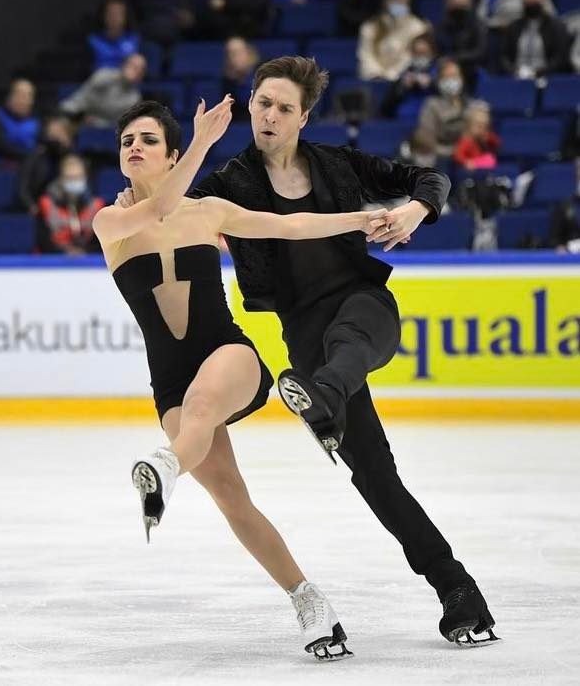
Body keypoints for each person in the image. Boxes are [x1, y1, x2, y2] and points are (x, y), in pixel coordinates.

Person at [117, 56, 499, 646]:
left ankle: (318, 395)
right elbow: (173, 205)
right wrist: (162, 173)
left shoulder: (339, 164)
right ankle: (457, 590)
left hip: (361, 305)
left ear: (303, 116)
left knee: (346, 342)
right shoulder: (227, 184)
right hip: (304, 336)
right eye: (262, 103)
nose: (270, 115)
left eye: (284, 107)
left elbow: (431, 179)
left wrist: (410, 210)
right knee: (375, 477)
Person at [94, 98, 390, 659]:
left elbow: (290, 224)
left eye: (148, 140)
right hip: (170, 380)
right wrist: (204, 143)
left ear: (173, 154)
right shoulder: (110, 222)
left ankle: (163, 464)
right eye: (126, 140)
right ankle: (309, 601)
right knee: (232, 498)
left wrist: (358, 218)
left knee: (204, 405)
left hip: (230, 357)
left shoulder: (208, 213)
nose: (134, 147)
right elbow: (154, 214)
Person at [416, 59, 487, 160]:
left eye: (454, 76)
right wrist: (449, 152)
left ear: (461, 79)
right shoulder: (432, 104)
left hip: (466, 156)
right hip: (440, 156)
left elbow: (480, 137)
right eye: (447, 77)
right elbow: (426, 137)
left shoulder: (472, 105)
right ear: (439, 81)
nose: (451, 81)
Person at [358, 0, 428, 81]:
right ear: (386, 1)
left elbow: (410, 57)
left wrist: (391, 75)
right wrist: (377, 73)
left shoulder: (418, 27)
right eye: (396, 0)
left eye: (404, 1)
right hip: (373, 78)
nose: (400, 5)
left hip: (402, 79)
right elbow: (365, 54)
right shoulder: (370, 26)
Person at [500, 0, 571, 78]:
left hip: (547, 77)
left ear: (542, 1)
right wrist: (514, 71)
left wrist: (540, 72)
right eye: (528, 1)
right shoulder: (514, 27)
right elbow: (504, 56)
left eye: (534, 1)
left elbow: (561, 57)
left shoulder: (556, 26)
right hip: (516, 76)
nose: (531, 4)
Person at [38, 154, 104, 255]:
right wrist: (66, 252)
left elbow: (101, 241)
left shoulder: (96, 206)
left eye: (78, 177)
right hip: (53, 262)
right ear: (61, 179)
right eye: (69, 178)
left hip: (89, 262)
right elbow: (42, 240)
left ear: (85, 178)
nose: (74, 182)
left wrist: (84, 252)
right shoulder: (46, 204)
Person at [60, 53, 147, 127]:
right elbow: (81, 100)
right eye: (134, 67)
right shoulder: (104, 76)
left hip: (100, 129)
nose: (138, 71)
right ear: (124, 65)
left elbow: (118, 124)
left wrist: (95, 121)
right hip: (74, 115)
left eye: (142, 69)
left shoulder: (134, 98)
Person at [16, 114, 76, 213]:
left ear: (69, 138)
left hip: (69, 212)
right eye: (51, 135)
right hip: (40, 212)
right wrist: (34, 209)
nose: (55, 140)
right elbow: (22, 190)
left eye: (59, 134)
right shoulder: (34, 158)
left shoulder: (76, 160)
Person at [435, 0, 487, 90]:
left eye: (463, 5)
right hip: (444, 71)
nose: (459, 9)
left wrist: (455, 58)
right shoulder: (442, 26)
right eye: (455, 4)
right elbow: (438, 48)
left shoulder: (477, 25)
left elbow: (480, 52)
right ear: (448, 4)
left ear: (470, 4)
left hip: (470, 72)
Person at [0, 78, 40, 166]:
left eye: (27, 96)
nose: (23, 100)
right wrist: (29, 155)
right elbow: (0, 146)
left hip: (30, 169)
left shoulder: (37, 120)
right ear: (10, 97)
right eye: (19, 94)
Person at [380, 33, 437, 119]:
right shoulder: (404, 74)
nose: (420, 57)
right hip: (404, 120)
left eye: (424, 53)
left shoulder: (440, 72)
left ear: (432, 53)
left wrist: (432, 84)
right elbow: (385, 108)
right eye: (417, 53)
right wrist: (402, 88)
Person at [87, 0, 140, 71]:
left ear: (125, 16)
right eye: (111, 13)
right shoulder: (92, 40)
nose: (114, 17)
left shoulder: (134, 39)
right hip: (100, 79)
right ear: (103, 16)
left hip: (126, 79)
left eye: (118, 13)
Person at [222, 36, 260, 121]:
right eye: (232, 53)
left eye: (240, 52)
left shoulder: (264, 73)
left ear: (249, 52)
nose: (236, 57)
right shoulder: (227, 82)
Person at [453, 105, 501, 170]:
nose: (482, 129)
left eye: (485, 126)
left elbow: (498, 144)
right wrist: (466, 162)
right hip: (472, 169)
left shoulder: (487, 137)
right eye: (479, 126)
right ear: (469, 126)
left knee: (490, 158)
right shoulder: (466, 140)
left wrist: (489, 137)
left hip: (484, 167)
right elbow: (457, 155)